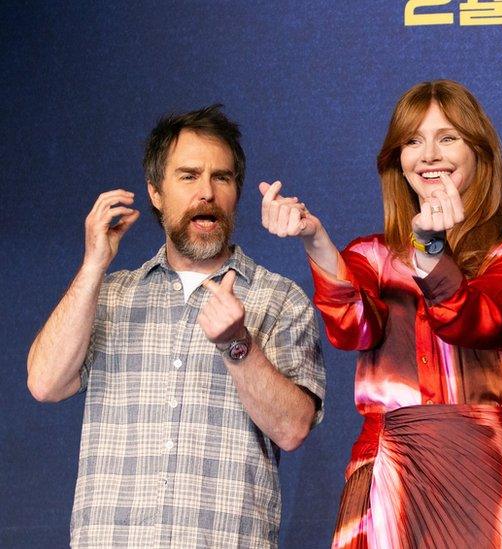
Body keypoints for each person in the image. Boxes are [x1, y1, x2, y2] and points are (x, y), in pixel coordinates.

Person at [261, 80, 502, 548]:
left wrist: (430, 250)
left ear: (480, 152)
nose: (429, 154)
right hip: (386, 467)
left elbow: (476, 319)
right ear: (398, 160)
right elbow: (350, 327)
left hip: (483, 475)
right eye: (413, 141)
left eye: (447, 137)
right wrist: (314, 236)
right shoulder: (371, 255)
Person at [26, 105, 326, 548]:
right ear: (156, 193)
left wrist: (238, 345)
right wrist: (93, 267)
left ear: (236, 192)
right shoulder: (109, 295)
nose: (206, 192)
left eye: (221, 178)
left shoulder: (279, 298)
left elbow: (293, 428)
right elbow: (45, 383)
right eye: (188, 176)